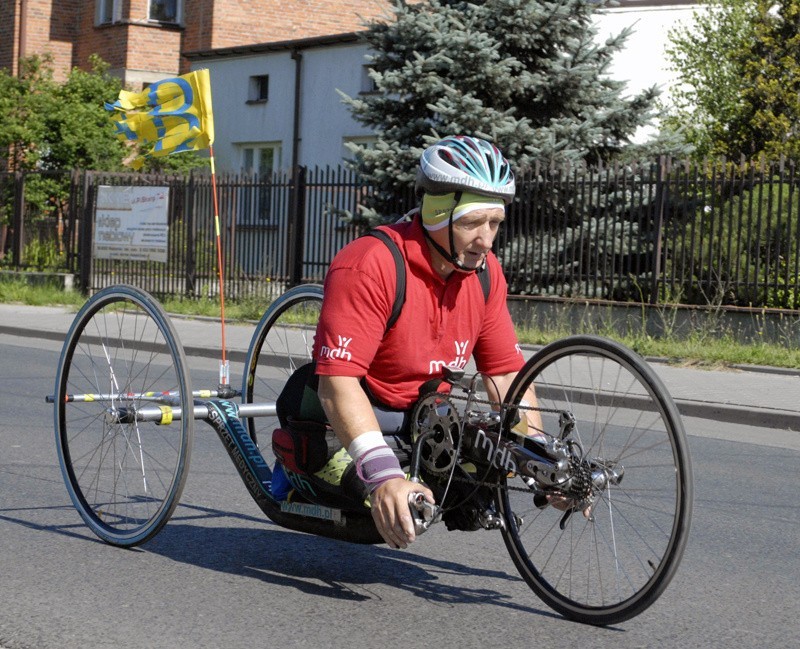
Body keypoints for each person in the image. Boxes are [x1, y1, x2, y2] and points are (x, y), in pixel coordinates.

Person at [309, 135, 543, 549]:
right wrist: (381, 474)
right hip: (351, 416)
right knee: (402, 505)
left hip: (425, 422)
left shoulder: (486, 275)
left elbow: (505, 374)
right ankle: (310, 469)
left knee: (482, 481)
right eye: (472, 222)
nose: (486, 240)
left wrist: (540, 456)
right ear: (437, 214)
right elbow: (338, 384)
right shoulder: (370, 264)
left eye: (495, 223)